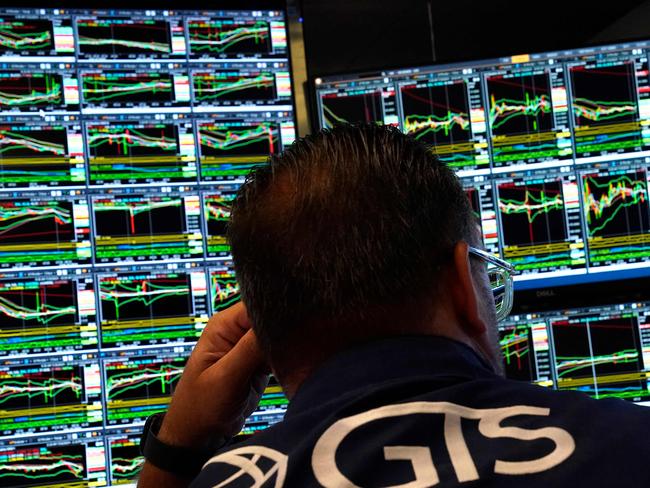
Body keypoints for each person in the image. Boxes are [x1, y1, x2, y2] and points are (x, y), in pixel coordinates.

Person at [138, 124, 650, 488]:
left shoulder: (229, 480)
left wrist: (176, 452)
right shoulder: (629, 445)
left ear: (263, 338)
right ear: (462, 285)